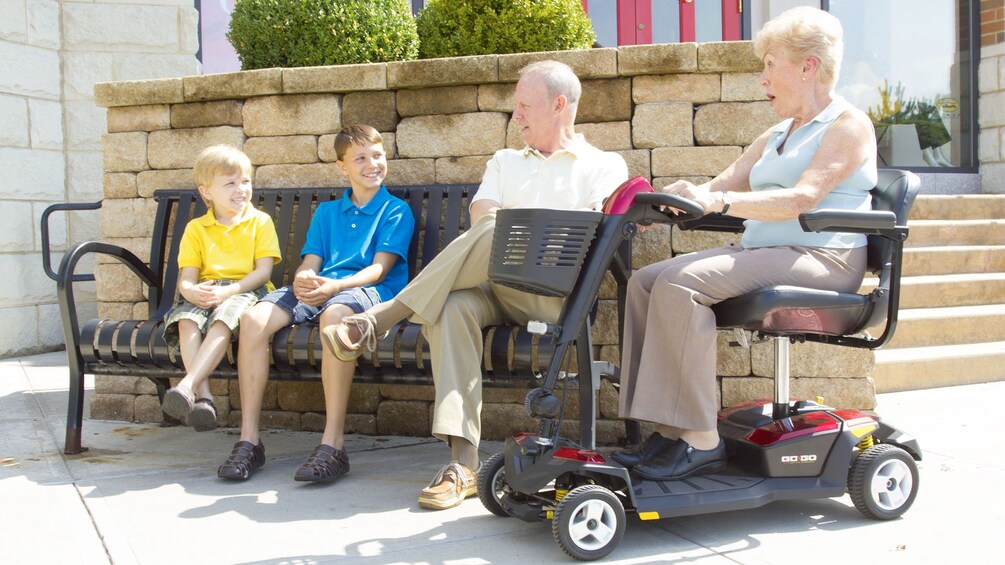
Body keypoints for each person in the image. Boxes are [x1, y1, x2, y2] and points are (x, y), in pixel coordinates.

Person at [320, 60, 629, 510]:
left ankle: (382, 319)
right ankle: (463, 464)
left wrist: (520, 233)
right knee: (451, 305)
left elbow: (592, 235)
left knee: (494, 231)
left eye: (524, 106)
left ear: (559, 105)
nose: (515, 116)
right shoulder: (505, 161)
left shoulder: (602, 164)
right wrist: (530, 231)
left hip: (555, 294)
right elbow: (482, 218)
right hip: (496, 281)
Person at [612, 6, 878, 481]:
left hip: (822, 257)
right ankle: (667, 428)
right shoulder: (775, 134)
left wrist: (720, 202)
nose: (763, 78)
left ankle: (700, 439)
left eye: (770, 64)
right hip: (763, 253)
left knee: (681, 285)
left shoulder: (848, 125)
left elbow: (803, 198)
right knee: (646, 282)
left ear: (807, 66)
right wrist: (675, 202)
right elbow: (721, 186)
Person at [216, 125, 414, 482]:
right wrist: (305, 278)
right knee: (253, 320)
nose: (373, 164)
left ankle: (333, 443)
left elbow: (378, 269)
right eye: (361, 158)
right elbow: (312, 260)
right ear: (342, 167)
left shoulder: (396, 210)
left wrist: (335, 285)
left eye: (378, 155)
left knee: (335, 319)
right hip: (325, 285)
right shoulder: (327, 213)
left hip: (367, 290)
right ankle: (249, 440)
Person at [160, 145, 281, 432]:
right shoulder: (196, 229)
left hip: (247, 290)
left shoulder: (259, 222)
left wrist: (228, 292)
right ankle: (205, 399)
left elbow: (263, 272)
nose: (241, 189)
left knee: (223, 320)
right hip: (208, 289)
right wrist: (190, 292)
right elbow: (187, 276)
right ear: (207, 192)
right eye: (230, 183)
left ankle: (187, 385)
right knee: (186, 320)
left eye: (245, 181)